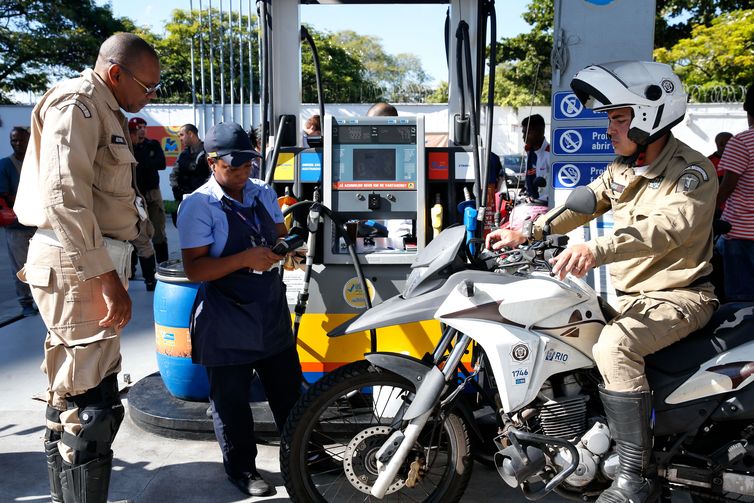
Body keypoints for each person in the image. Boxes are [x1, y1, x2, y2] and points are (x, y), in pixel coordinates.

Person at [486, 61, 718, 503]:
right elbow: (587, 201)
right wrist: (528, 232)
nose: (609, 129)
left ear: (649, 116)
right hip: (630, 298)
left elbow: (665, 228)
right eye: (609, 118)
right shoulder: (625, 167)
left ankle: (633, 479)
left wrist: (596, 250)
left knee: (614, 347)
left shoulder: (693, 172)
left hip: (679, 297)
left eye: (618, 118)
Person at [14, 33, 159, 503]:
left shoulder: (105, 107)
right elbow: (63, 195)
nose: (150, 96)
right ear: (116, 73)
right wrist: (106, 278)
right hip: (77, 265)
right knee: (88, 407)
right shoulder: (77, 103)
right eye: (147, 85)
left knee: (80, 395)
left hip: (88, 261)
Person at [177, 122, 303, 497]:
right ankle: (242, 469)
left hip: (268, 306)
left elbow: (279, 233)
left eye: (248, 164)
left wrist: (287, 247)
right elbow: (195, 269)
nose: (244, 173)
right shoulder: (198, 205)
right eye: (234, 167)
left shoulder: (262, 191)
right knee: (231, 400)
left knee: (288, 391)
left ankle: (303, 453)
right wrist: (245, 257)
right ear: (212, 162)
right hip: (226, 314)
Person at [716, 84, 754, 301]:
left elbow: (727, 186)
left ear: (746, 108)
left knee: (742, 302)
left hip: (741, 235)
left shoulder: (741, 142)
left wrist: (705, 212)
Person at [0, 126, 37, 317]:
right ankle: (26, 303)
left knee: (41, 264)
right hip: (17, 226)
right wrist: (31, 198)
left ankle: (40, 300)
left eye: (21, 140)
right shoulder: (5, 165)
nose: (17, 143)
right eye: (13, 140)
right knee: (21, 267)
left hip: (38, 223)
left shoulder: (36, 162)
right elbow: (5, 194)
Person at [128, 116, 166, 290]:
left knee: (159, 230)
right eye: (137, 128)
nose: (142, 130)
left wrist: (143, 161)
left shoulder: (152, 145)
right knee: (138, 235)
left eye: (143, 127)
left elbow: (161, 164)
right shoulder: (127, 148)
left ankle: (165, 267)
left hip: (153, 193)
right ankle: (142, 275)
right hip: (136, 196)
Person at [172, 123, 210, 202]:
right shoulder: (183, 154)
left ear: (190, 134)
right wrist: (176, 190)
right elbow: (174, 174)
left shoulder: (206, 152)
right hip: (184, 198)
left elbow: (213, 174)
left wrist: (204, 191)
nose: (180, 139)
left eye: (182, 135)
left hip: (203, 199)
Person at [520, 114, 551, 203]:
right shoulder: (530, 153)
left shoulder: (550, 154)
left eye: (527, 133)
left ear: (539, 132)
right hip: (532, 206)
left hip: (546, 207)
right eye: (523, 132)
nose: (524, 137)